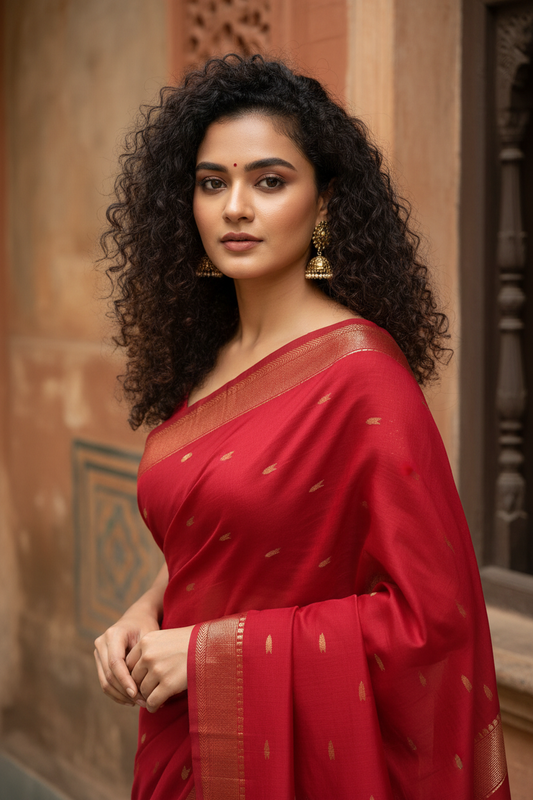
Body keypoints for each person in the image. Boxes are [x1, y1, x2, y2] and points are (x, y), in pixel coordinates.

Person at [94, 54, 510, 800]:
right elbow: (220, 536)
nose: (235, 208)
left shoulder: (361, 378)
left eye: (269, 180)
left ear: (322, 206)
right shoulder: (206, 361)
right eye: (212, 182)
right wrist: (145, 608)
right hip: (181, 740)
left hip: (286, 762)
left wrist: (209, 654)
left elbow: (429, 619)